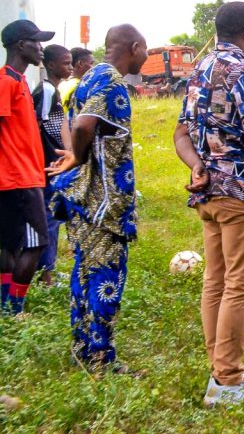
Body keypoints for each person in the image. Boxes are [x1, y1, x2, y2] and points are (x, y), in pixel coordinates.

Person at [173, 1, 244, 406]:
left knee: (215, 281)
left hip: (207, 193)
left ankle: (221, 366)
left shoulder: (198, 69)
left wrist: (198, 165)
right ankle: (228, 383)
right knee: (241, 284)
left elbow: (181, 133)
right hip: (238, 193)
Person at [48, 24, 147, 371]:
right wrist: (76, 155)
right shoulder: (111, 80)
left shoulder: (91, 76)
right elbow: (82, 126)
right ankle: (101, 358)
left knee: (85, 273)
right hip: (102, 202)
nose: (147, 57)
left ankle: (83, 348)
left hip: (86, 197)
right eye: (145, 50)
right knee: (106, 277)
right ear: (134, 47)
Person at [0, 20, 54, 315]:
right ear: (20, 45)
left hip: (21, 176)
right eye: (36, 41)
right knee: (37, 243)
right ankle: (14, 308)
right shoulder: (6, 82)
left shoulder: (18, 80)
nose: (41, 47)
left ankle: (6, 306)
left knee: (10, 245)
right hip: (19, 179)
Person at [33, 44, 74, 286]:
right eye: (65, 63)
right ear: (50, 65)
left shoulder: (53, 90)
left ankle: (49, 268)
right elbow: (37, 126)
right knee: (49, 217)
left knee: (53, 216)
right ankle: (45, 276)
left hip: (53, 162)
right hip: (47, 164)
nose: (69, 67)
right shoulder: (47, 90)